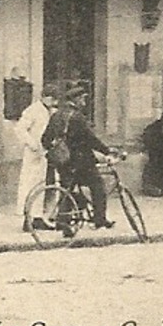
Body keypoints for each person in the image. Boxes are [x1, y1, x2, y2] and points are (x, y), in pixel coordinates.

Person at [42, 84, 121, 229]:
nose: (84, 102)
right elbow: (90, 139)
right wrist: (107, 150)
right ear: (76, 100)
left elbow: (45, 140)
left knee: (67, 190)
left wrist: (58, 151)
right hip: (81, 162)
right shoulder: (77, 117)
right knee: (98, 187)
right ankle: (99, 219)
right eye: (82, 99)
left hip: (62, 162)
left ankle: (63, 221)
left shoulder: (56, 115)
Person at [16, 84, 58, 229]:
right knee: (31, 185)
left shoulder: (52, 111)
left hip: (47, 154)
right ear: (43, 97)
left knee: (48, 185)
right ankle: (29, 219)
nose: (52, 101)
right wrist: (33, 144)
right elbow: (20, 129)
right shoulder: (33, 110)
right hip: (34, 155)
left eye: (54, 98)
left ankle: (42, 217)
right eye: (49, 97)